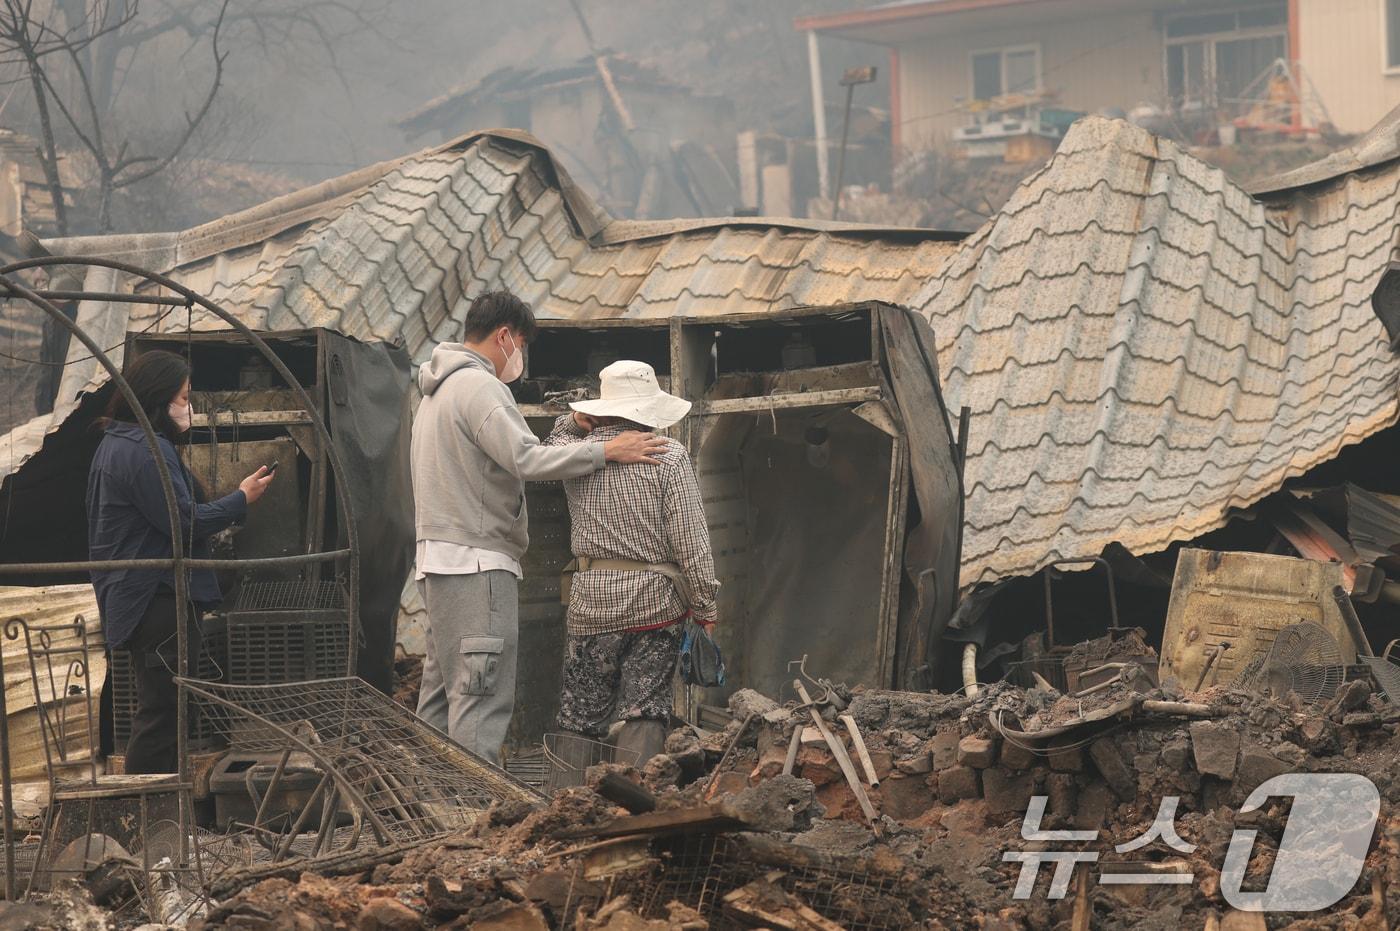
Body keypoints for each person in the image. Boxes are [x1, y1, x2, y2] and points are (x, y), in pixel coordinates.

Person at [411, 291, 668, 763]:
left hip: (437, 565)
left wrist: (571, 425)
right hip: (476, 566)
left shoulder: (436, 391)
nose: (521, 358)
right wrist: (606, 451)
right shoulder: (481, 388)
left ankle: (432, 813)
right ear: (504, 337)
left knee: (441, 698)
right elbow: (526, 457)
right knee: (480, 700)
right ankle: (473, 820)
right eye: (522, 345)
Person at [87, 350, 275, 774]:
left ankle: (162, 812)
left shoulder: (120, 443)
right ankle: (144, 814)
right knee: (162, 714)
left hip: (144, 595)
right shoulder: (143, 450)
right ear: (158, 398)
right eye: (184, 397)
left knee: (167, 709)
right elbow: (183, 522)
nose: (188, 407)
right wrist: (240, 500)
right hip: (156, 597)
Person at [545, 360, 719, 767]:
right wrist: (705, 605)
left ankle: (564, 808)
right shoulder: (669, 456)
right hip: (654, 608)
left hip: (591, 605)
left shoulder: (574, 455)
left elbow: (550, 444)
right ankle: (636, 805)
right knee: (646, 708)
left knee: (578, 715)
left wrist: (574, 420)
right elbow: (692, 542)